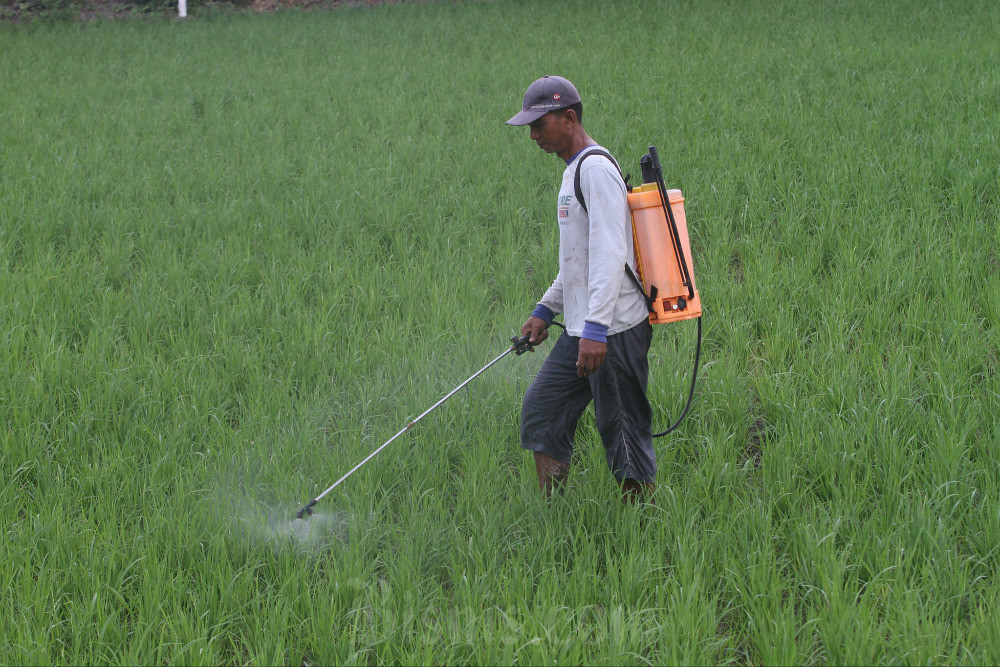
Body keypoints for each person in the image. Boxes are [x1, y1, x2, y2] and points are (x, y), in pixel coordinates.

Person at [506, 75, 655, 502]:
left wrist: (595, 330)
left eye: (540, 124)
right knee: (543, 410)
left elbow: (610, 256)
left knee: (622, 431)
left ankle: (641, 528)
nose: (533, 135)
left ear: (569, 118)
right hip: (583, 328)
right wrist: (545, 309)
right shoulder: (573, 173)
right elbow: (577, 262)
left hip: (613, 330)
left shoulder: (595, 171)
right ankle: (551, 517)